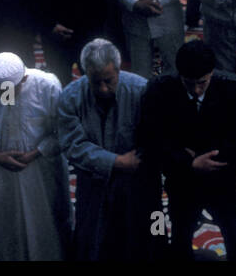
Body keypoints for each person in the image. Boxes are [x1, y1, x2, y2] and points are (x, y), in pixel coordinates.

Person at [138, 39, 236, 260]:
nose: (195, 89)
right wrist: (188, 162)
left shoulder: (235, 89)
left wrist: (208, 157)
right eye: (189, 83)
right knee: (181, 235)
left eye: (202, 82)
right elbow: (152, 138)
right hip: (182, 180)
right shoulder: (160, 90)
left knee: (233, 233)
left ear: (212, 72)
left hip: (222, 178)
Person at [58, 38, 160, 261]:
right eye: (96, 82)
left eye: (109, 80)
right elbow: (72, 145)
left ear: (119, 69)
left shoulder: (142, 90)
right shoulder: (70, 97)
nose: (103, 89)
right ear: (85, 74)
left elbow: (155, 139)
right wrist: (116, 162)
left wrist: (134, 164)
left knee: (150, 232)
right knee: (93, 238)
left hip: (137, 178)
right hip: (94, 180)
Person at [0, 52, 69, 261]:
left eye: (9, 89)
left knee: (46, 229)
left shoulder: (47, 86)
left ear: (23, 79)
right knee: (8, 231)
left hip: (42, 171)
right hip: (3, 173)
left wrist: (37, 152)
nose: (5, 95)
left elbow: (63, 131)